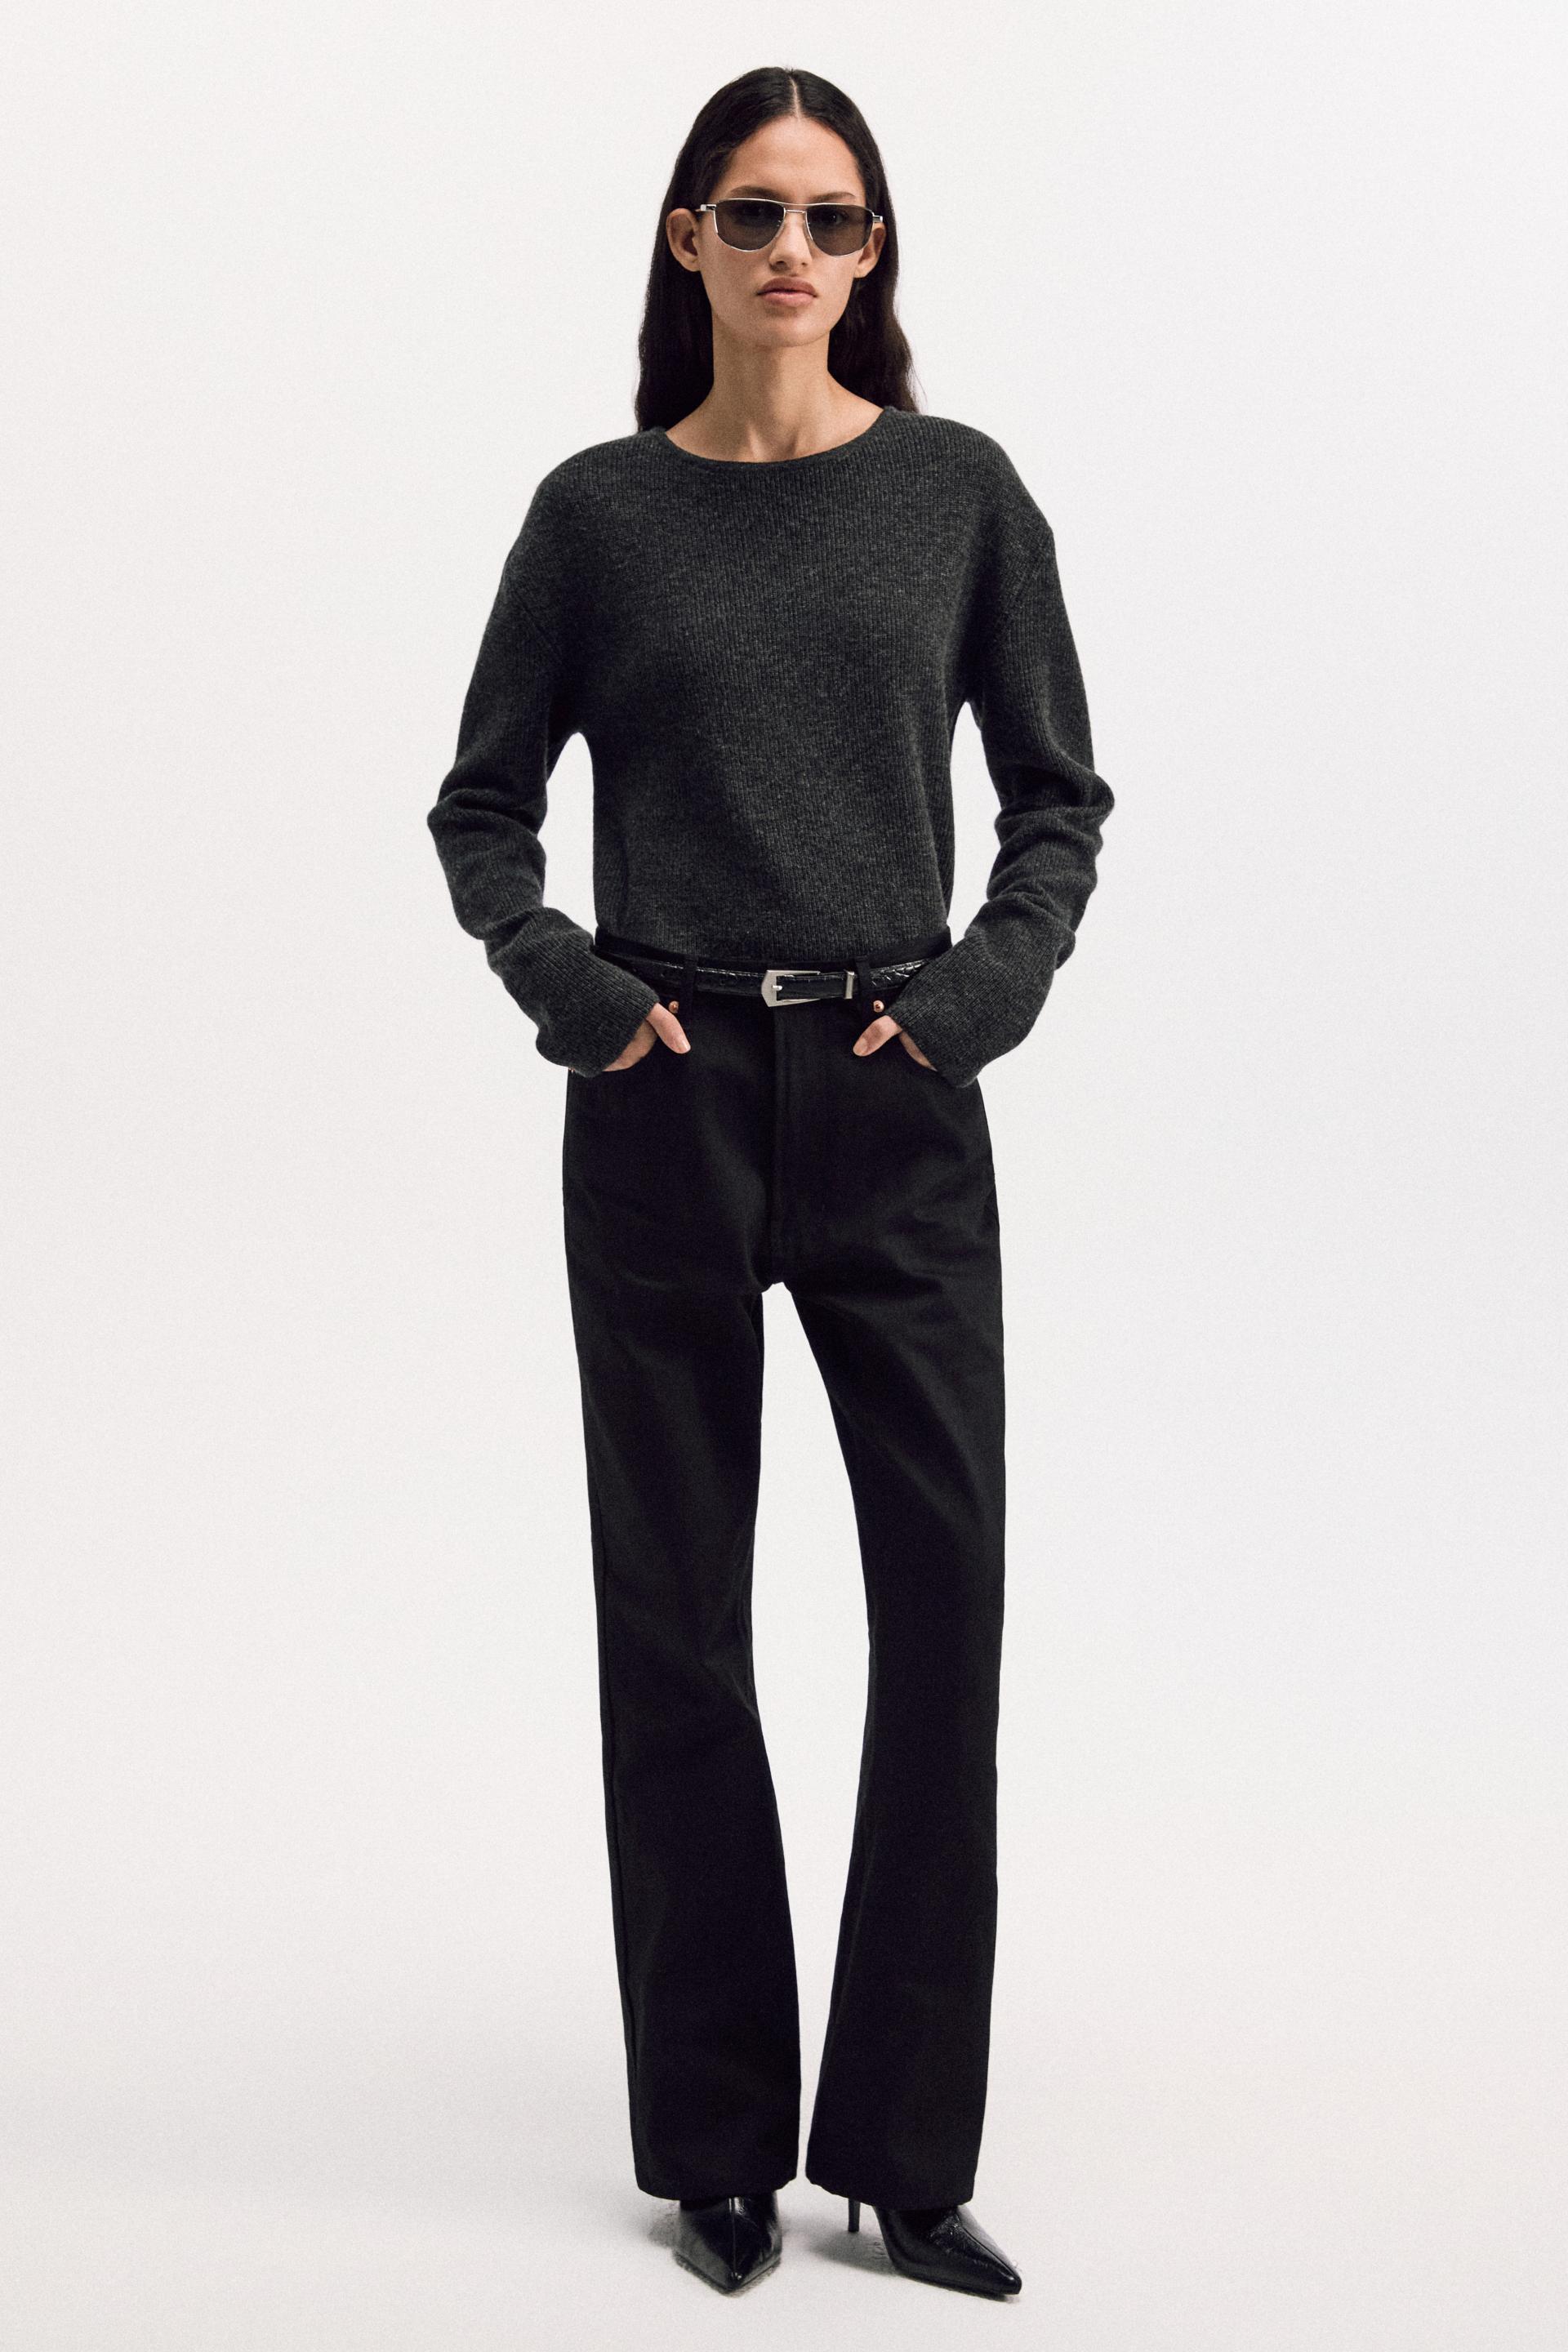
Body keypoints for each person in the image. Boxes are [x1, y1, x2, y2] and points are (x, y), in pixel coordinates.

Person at [426, 64, 1113, 2302]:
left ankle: (904, 2158)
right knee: (676, 1622)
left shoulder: (959, 494)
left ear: (873, 249)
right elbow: (481, 807)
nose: (793, 248)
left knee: (944, 1610)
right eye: (753, 212)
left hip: (901, 1089)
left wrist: (979, 999)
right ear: (688, 241)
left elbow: (1059, 797)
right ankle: (715, 2144)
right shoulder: (599, 517)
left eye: (831, 215)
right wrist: (578, 991)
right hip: (668, 1096)